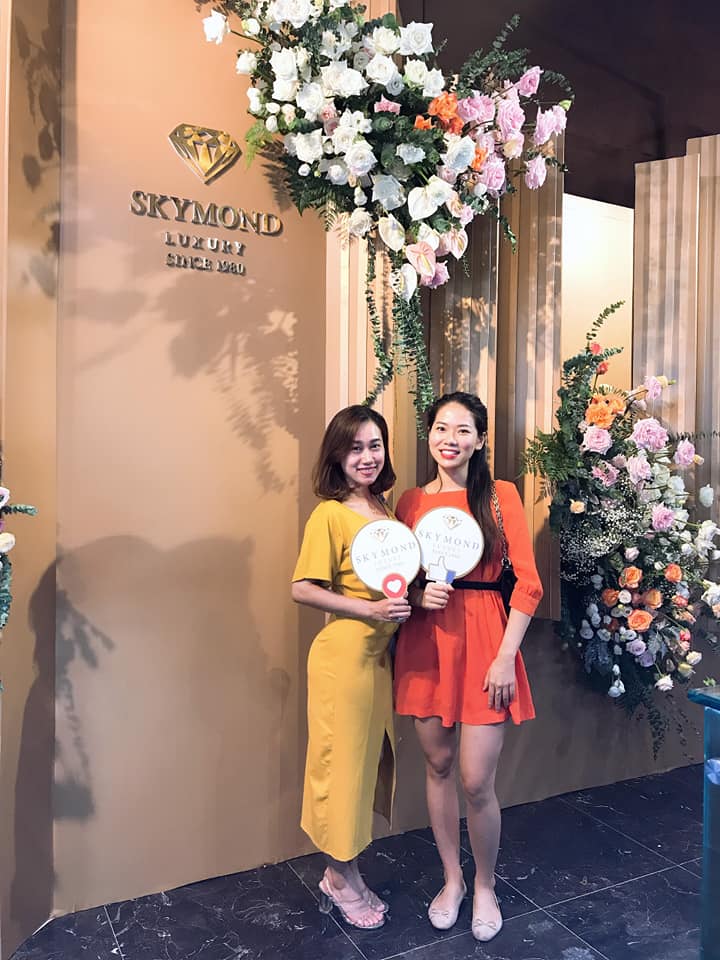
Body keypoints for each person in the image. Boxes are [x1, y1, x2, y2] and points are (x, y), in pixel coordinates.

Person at [393, 391, 543, 942]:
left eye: (462, 430)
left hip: (485, 640)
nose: (449, 439)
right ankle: (452, 880)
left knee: (477, 781)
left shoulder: (501, 496)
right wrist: (416, 595)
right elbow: (396, 578)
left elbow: (529, 584)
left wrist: (506, 656)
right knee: (437, 767)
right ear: (428, 434)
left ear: (480, 440)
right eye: (441, 428)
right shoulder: (410, 502)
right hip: (426, 642)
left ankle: (484, 884)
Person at [291, 405, 411, 930]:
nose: (367, 456)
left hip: (377, 660)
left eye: (375, 445)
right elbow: (302, 588)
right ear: (337, 456)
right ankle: (340, 878)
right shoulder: (330, 514)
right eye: (355, 447)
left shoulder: (385, 510)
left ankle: (346, 871)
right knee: (341, 770)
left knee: (362, 769)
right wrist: (370, 611)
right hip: (343, 659)